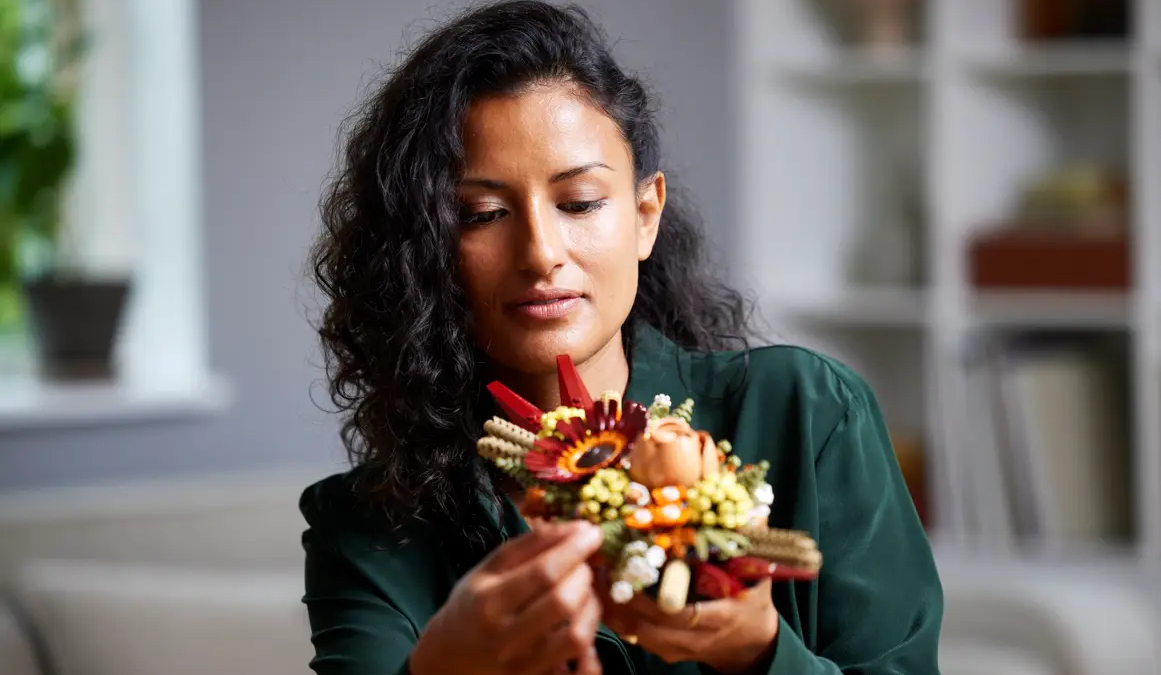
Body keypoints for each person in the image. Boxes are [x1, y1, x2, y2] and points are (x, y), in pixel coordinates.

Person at [302, 2, 943, 674]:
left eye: (578, 203)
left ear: (645, 215)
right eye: (480, 214)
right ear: (423, 247)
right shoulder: (365, 528)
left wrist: (760, 649)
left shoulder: (807, 411)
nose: (542, 251)